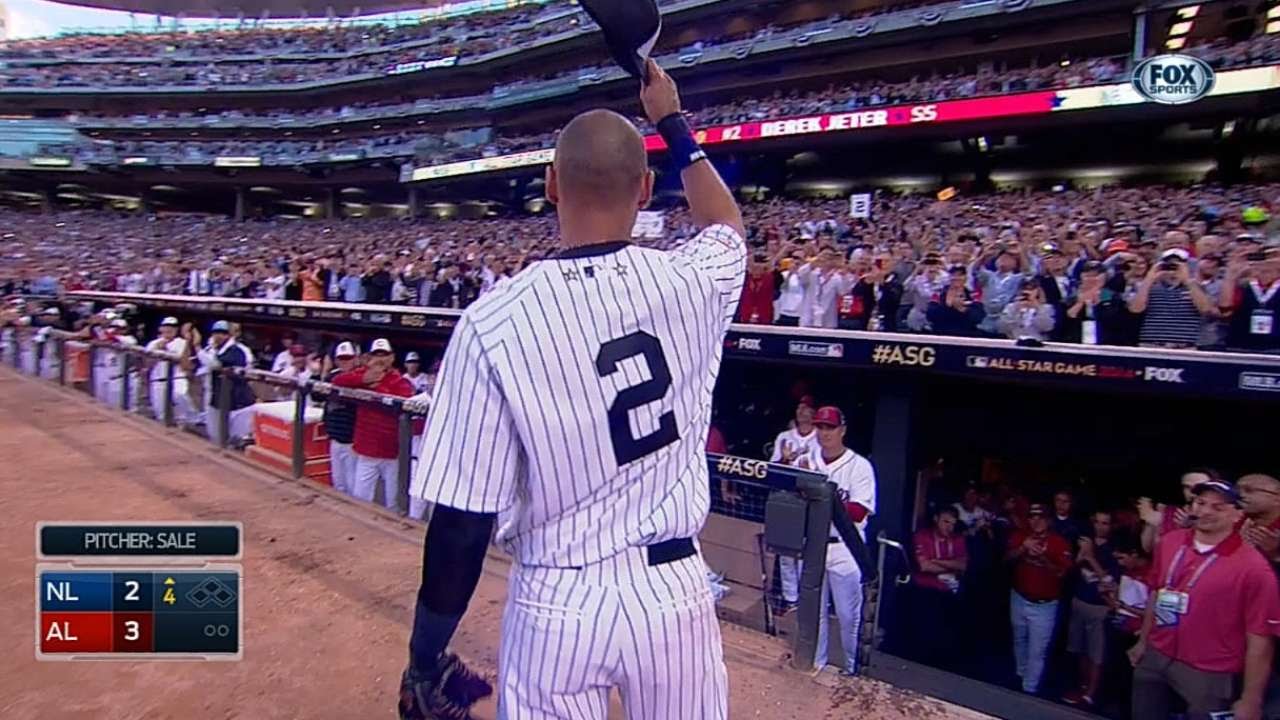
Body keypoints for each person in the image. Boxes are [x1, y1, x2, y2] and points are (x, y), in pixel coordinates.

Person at [401, 59, 746, 720]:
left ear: (551, 186)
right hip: (673, 594)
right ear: (645, 190)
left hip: (556, 603)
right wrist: (672, 122)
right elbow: (726, 227)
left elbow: (462, 526)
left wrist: (424, 659)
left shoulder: (492, 322)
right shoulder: (694, 282)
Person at [1129, 480, 1280, 720]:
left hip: (1210, 672)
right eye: (1200, 503)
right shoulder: (1171, 541)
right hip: (1156, 656)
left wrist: (1251, 698)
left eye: (1218, 507)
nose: (1205, 511)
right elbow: (1157, 592)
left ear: (1237, 515)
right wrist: (1143, 642)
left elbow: (1260, 639)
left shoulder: (1254, 568)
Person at [807, 405, 877, 676]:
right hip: (813, 544)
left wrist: (823, 499)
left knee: (849, 617)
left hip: (846, 549)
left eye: (830, 427)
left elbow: (859, 511)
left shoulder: (860, 466)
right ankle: (816, 662)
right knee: (815, 613)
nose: (824, 433)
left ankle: (853, 669)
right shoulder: (808, 459)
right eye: (820, 427)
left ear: (842, 430)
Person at [332, 338, 412, 511]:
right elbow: (338, 380)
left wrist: (376, 386)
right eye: (377, 355)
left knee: (394, 504)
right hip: (366, 452)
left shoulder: (400, 381)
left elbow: (401, 400)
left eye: (384, 355)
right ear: (369, 357)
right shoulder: (361, 375)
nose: (380, 359)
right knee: (360, 500)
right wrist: (365, 379)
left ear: (392, 357)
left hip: (392, 453)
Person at [1006, 503, 1073, 695]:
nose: (1036, 521)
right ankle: (1020, 676)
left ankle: (1029, 689)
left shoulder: (1059, 543)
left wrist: (1043, 558)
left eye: (1041, 517)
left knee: (1037, 650)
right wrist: (1022, 548)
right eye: (1032, 517)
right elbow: (1005, 560)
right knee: (1019, 639)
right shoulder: (1021, 536)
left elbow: (1062, 573)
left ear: (1049, 520)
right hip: (1019, 597)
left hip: (1045, 605)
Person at [1063, 511, 1121, 708]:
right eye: (1097, 522)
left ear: (1111, 526)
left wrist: (1091, 557)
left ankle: (1091, 694)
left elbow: (1110, 583)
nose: (1100, 526)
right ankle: (1082, 686)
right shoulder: (1084, 542)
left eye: (1105, 523)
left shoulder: (1114, 551)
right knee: (1079, 649)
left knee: (1096, 652)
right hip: (1079, 602)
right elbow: (1069, 570)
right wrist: (1081, 555)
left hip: (1099, 609)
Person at [770, 399, 821, 613]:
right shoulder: (784, 437)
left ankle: (806, 600)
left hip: (809, 501)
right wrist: (784, 458)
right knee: (785, 552)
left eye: (806, 407)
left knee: (806, 552)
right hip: (787, 500)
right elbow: (771, 468)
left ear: (814, 412)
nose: (801, 411)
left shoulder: (820, 438)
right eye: (799, 407)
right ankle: (791, 600)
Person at [910, 505, 968, 668]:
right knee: (923, 631)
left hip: (949, 592)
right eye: (945, 522)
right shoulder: (923, 536)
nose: (948, 527)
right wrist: (950, 565)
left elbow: (963, 565)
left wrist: (936, 561)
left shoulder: (958, 539)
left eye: (952, 523)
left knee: (946, 634)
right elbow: (924, 566)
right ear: (936, 519)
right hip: (925, 590)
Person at [1129, 248, 1217, 349]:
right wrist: (1150, 278)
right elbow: (1135, 309)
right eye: (1168, 266)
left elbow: (1205, 309)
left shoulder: (1196, 287)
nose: (1172, 270)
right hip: (1152, 345)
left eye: (1176, 265)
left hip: (1184, 346)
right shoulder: (1148, 287)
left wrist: (1187, 280)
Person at [197, 320, 256, 445]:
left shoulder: (238, 350)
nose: (218, 336)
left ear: (230, 335)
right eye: (216, 333)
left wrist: (197, 347)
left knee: (237, 439)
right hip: (218, 399)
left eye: (223, 333)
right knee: (216, 437)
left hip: (239, 403)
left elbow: (216, 364)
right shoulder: (212, 349)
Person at [1138, 468, 1220, 554]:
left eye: (1199, 487)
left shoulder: (1221, 515)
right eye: (1187, 487)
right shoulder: (1168, 512)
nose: (1192, 492)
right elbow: (1148, 548)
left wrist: (1191, 528)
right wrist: (1151, 524)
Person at [318, 341, 358, 496]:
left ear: (355, 359)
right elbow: (316, 394)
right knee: (338, 483)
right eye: (341, 359)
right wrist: (324, 372)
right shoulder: (331, 377)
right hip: (335, 438)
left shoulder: (360, 378)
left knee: (353, 486)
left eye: (348, 358)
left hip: (352, 442)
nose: (345, 362)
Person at [1061, 260, 1128, 345]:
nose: (1092, 279)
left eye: (1096, 275)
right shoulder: (1072, 298)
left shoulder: (1112, 296)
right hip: (1077, 343)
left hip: (1107, 343)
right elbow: (1069, 317)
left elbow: (1115, 320)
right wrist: (1081, 302)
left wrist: (1097, 297)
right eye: (1088, 276)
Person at [144, 316, 193, 425]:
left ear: (176, 329)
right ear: (161, 328)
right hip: (158, 380)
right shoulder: (153, 343)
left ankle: (183, 429)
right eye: (166, 326)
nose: (169, 329)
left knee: (180, 397)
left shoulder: (182, 342)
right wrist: (157, 350)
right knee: (160, 414)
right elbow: (147, 365)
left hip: (177, 378)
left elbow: (186, 364)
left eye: (172, 326)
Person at [926, 265, 986, 337]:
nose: (956, 278)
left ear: (965, 278)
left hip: (966, 333)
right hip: (941, 332)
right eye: (953, 275)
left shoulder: (974, 294)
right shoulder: (938, 293)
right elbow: (930, 315)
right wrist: (947, 306)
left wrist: (963, 309)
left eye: (960, 275)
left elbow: (978, 317)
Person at [1239, 473, 1280, 566]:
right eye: (1237, 491)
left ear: (1277, 498)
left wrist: (1274, 554)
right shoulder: (1232, 522)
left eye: (1249, 490)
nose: (1240, 495)